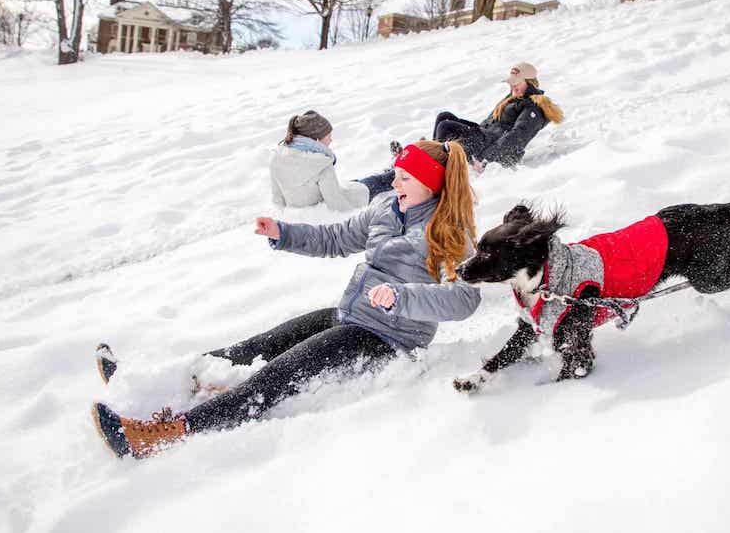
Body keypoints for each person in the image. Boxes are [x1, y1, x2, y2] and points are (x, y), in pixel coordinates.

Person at [92, 140, 481, 459]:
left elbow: (464, 299)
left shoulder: (448, 232)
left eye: (405, 178)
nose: (395, 184)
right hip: (350, 316)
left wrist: (401, 297)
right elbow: (336, 238)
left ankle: (163, 433)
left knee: (276, 374)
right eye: (395, 175)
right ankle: (147, 383)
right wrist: (285, 232)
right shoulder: (386, 207)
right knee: (254, 347)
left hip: (388, 339)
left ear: (430, 183)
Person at [421, 62, 564, 171]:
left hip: (491, 148)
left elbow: (518, 136)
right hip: (485, 136)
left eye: (517, 82)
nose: (513, 86)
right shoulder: (513, 97)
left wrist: (485, 159)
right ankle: (434, 154)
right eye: (512, 82)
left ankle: (435, 165)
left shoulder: (534, 107)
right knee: (444, 116)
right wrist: (472, 130)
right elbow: (490, 122)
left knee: (445, 126)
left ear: (530, 82)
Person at [270, 111, 389, 211]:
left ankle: (391, 168)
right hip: (351, 201)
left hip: (307, 216)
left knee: (357, 181)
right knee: (376, 181)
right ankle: (399, 169)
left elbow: (278, 200)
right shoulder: (321, 164)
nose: (331, 139)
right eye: (328, 136)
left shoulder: (277, 159)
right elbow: (339, 207)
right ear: (316, 140)